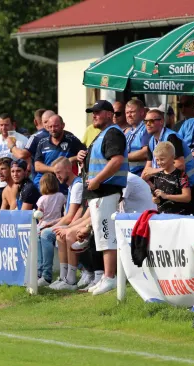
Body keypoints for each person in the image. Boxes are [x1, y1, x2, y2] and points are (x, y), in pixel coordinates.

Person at [79, 99, 128, 296]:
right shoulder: (102, 135)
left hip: (106, 191)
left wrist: (98, 180)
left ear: (109, 114)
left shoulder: (113, 133)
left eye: (98, 112)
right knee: (101, 236)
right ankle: (106, 277)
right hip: (99, 192)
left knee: (107, 236)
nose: (94, 116)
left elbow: (116, 160)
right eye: (93, 112)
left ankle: (110, 277)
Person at [142, 109, 194, 215]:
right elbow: (147, 170)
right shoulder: (151, 141)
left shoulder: (172, 137)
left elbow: (180, 165)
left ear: (161, 121)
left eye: (151, 121)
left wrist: (155, 171)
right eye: (145, 121)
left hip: (189, 184)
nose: (148, 124)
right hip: (169, 186)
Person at [41, 157, 83, 287]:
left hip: (77, 224)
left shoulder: (77, 185)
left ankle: (47, 275)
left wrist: (53, 227)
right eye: (55, 173)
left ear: (69, 169)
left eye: (59, 172)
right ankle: (62, 276)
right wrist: (52, 223)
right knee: (43, 231)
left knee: (46, 234)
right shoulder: (71, 187)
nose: (57, 176)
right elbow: (66, 216)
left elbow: (70, 217)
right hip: (72, 223)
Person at [150, 142, 191, 215]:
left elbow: (187, 197)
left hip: (178, 218)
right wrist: (155, 199)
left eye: (162, 159)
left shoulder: (181, 175)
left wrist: (166, 196)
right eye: (157, 160)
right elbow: (157, 199)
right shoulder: (157, 176)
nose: (159, 163)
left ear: (172, 157)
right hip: (162, 217)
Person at [123, 99, 149, 176]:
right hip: (128, 175)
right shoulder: (128, 132)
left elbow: (146, 153)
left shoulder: (146, 129)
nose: (129, 115)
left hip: (141, 176)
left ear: (141, 112)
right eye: (127, 113)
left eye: (132, 112)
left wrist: (122, 157)